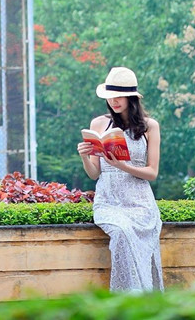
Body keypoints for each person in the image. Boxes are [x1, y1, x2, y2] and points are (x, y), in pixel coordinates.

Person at [77, 65, 163, 293]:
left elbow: (152, 172)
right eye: (110, 97)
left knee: (133, 237)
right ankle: (126, 298)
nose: (113, 101)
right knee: (121, 232)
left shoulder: (149, 126)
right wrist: (85, 157)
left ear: (130, 98)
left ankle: (141, 297)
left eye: (118, 96)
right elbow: (95, 173)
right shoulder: (99, 124)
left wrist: (123, 166)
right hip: (109, 199)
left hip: (140, 201)